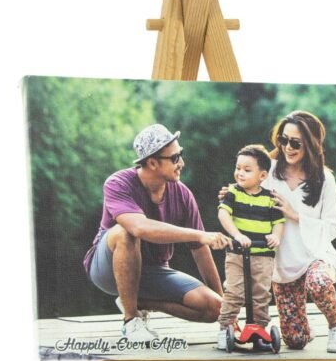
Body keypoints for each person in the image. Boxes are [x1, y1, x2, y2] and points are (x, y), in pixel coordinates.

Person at [83, 123, 232, 342]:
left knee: (214, 307)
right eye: (174, 158)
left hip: (154, 271)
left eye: (181, 154)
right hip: (107, 270)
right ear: (152, 162)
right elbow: (139, 228)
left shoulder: (183, 194)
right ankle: (131, 322)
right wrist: (198, 234)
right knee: (126, 232)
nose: (181, 163)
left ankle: (139, 302)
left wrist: (226, 314)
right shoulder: (118, 183)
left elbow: (200, 250)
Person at [265, 111, 336, 353]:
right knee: (295, 341)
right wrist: (231, 197)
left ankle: (335, 326)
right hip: (283, 264)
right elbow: (245, 191)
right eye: (283, 139)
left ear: (311, 144)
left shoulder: (324, 179)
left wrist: (296, 215)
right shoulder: (267, 171)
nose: (287, 147)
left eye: (295, 143)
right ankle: (303, 330)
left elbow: (333, 226)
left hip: (315, 256)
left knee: (318, 282)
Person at [215, 145, 285, 349]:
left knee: (261, 294)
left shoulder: (270, 198)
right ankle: (225, 328)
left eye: (247, 170)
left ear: (262, 175)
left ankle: (259, 330)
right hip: (238, 253)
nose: (240, 173)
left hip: (263, 254)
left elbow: (279, 222)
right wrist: (237, 235)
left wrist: (276, 236)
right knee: (234, 292)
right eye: (238, 168)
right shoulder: (233, 192)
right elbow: (223, 213)